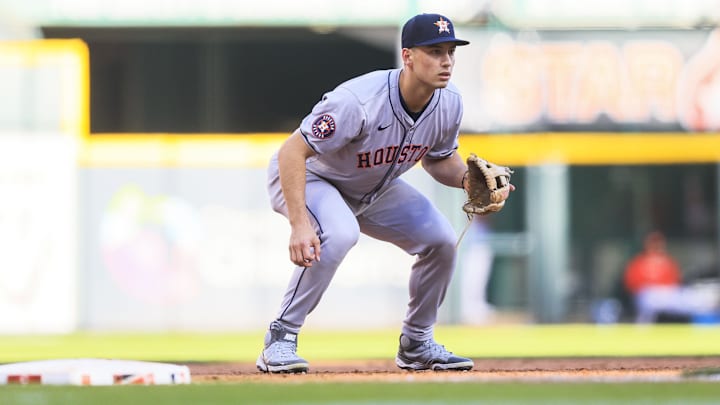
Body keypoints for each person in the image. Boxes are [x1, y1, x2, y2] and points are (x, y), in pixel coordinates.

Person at [256, 13, 513, 374]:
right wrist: (300, 223)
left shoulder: (449, 102)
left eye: (451, 52)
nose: (446, 61)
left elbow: (439, 161)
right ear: (407, 56)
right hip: (312, 178)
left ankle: (417, 344)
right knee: (341, 232)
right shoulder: (358, 101)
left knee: (440, 239)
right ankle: (280, 338)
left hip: (372, 186)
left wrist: (469, 182)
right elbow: (291, 152)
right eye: (435, 51)